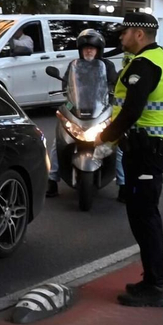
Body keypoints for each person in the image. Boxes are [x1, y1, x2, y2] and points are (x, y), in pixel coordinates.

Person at [75, 11, 163, 308]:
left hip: (147, 150)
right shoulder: (162, 59)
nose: (121, 37)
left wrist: (103, 139)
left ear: (139, 34)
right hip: (154, 145)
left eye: (125, 32)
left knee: (145, 217)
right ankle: (151, 280)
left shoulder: (144, 64)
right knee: (143, 214)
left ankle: (155, 286)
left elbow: (131, 112)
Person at [49, 28, 117, 198]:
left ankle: (123, 184)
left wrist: (113, 95)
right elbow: (66, 87)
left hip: (100, 110)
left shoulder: (107, 66)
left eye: (92, 48)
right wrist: (69, 102)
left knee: (117, 146)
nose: (88, 50)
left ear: (98, 50)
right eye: (85, 48)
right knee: (57, 144)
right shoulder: (74, 66)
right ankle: (52, 180)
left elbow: (114, 85)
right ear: (80, 50)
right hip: (77, 111)